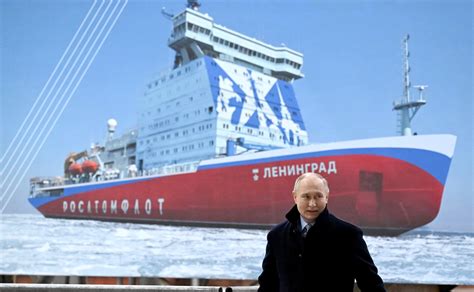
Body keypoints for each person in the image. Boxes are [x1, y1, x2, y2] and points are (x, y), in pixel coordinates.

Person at [258, 172, 385, 292]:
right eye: (306, 197)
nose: (312, 204)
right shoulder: (276, 236)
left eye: (318, 196)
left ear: (327, 197)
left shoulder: (349, 235)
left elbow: (371, 283)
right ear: (295, 197)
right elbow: (268, 285)